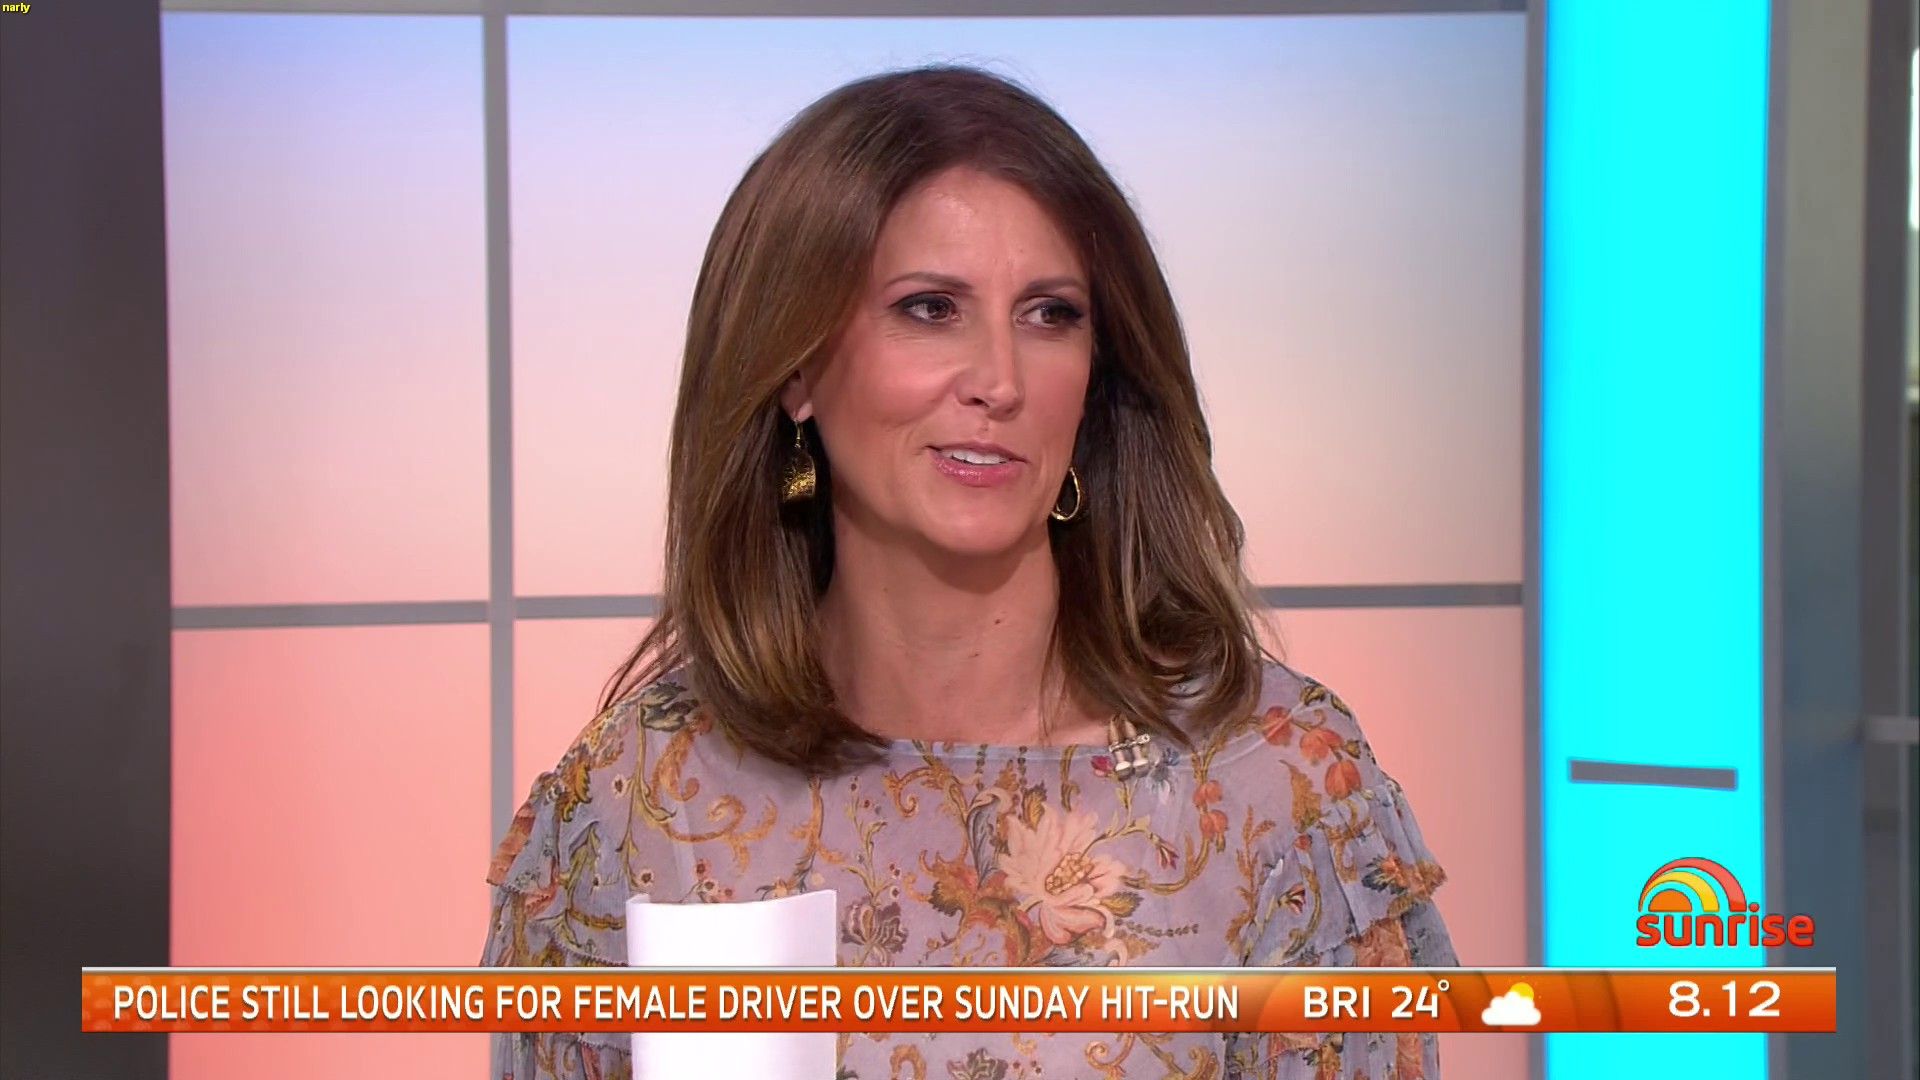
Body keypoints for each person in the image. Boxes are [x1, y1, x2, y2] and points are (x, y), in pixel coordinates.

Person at [480, 63, 1455, 1080]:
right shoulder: (642, 799)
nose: (1000, 380)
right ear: (797, 367)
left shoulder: (1277, 785)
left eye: (1049, 314)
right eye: (931, 307)